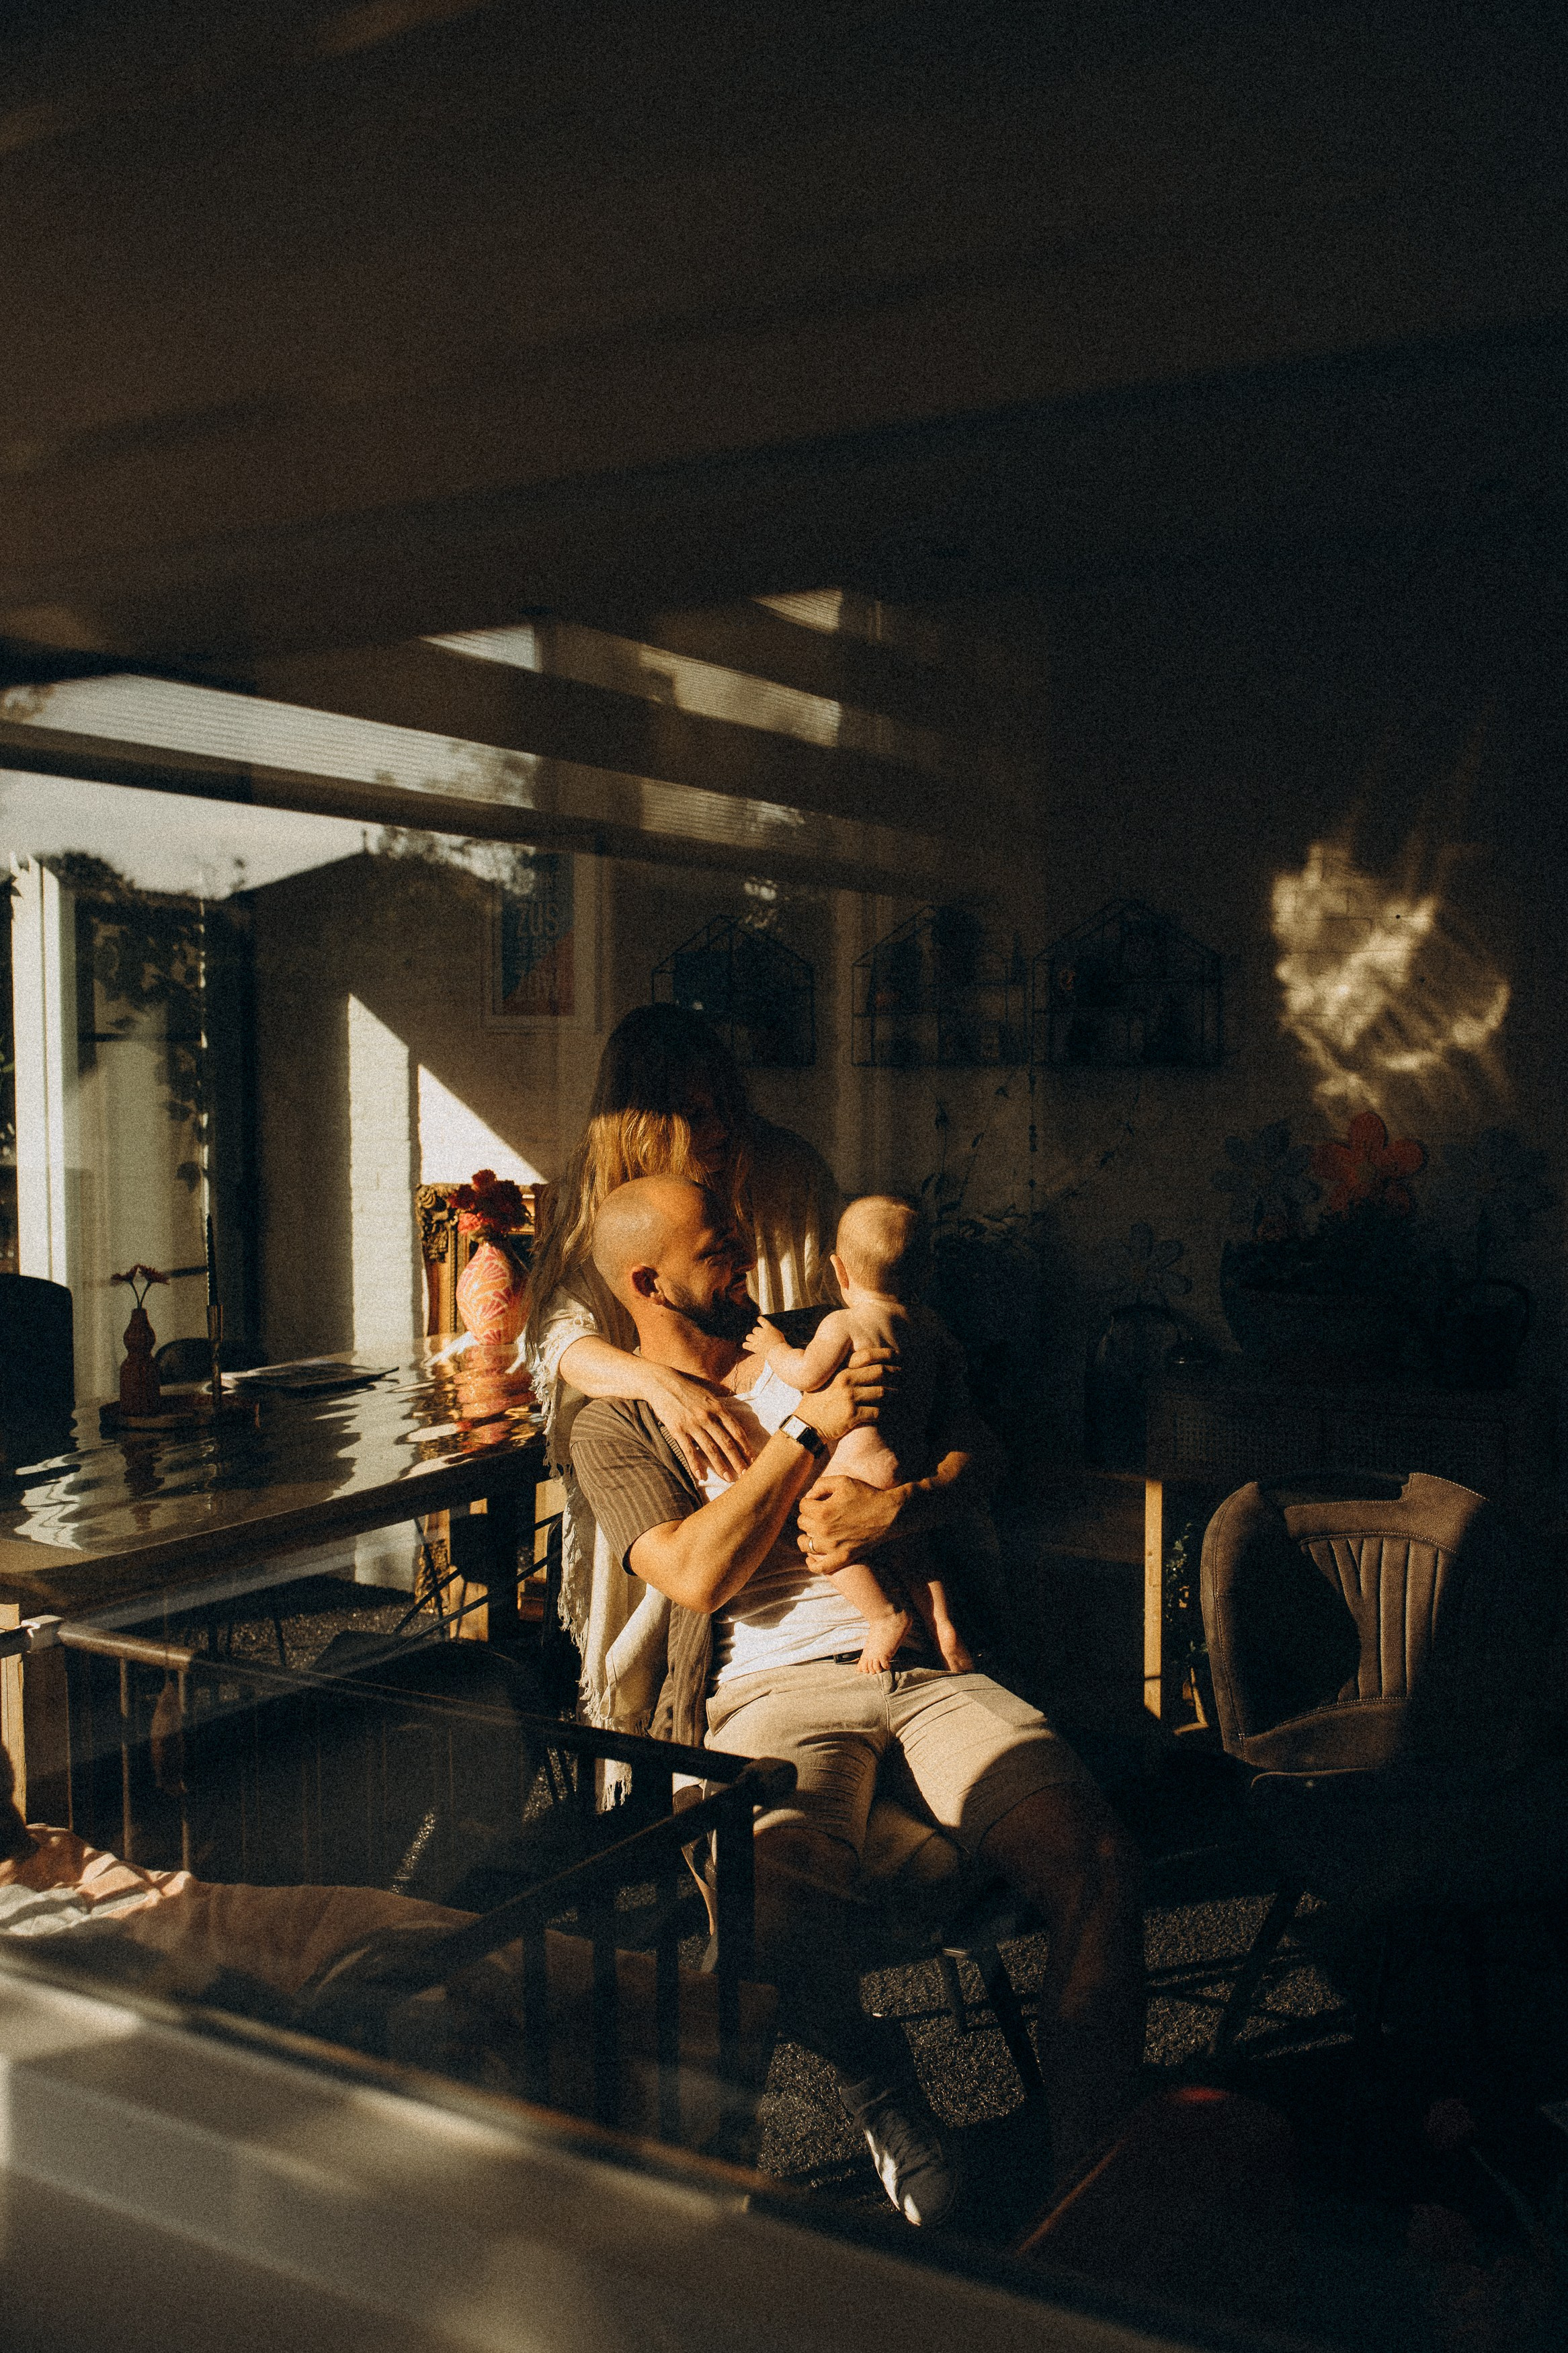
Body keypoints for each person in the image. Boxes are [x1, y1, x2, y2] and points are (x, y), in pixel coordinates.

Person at [570, 1176, 1146, 2227]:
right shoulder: (616, 1424)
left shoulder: (817, 1337)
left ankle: (1090, 2201)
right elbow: (694, 1575)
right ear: (649, 1281)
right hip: (767, 1690)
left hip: (925, 1669)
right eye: (719, 1250)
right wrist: (803, 1437)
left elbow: (984, 1448)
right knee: (776, 1907)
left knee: (1097, 1862)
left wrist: (903, 1505)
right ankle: (892, 2099)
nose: (746, 1258)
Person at [525, 1004, 838, 1738]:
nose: (721, 1131)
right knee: (680, 1616)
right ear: (642, 1124)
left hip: (796, 1424)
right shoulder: (594, 1195)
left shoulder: (784, 1171)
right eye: (696, 1116)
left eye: (725, 1106)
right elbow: (557, 1338)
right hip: (677, 1461)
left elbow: (840, 1306)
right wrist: (660, 1384)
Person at [745, 1193, 973, 1675]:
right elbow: (955, 1396)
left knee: (820, 1535)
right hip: (910, 1462)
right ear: (925, 1272)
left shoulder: (844, 1322)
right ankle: (944, 1625)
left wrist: (775, 1347)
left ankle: (883, 1616)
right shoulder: (933, 1328)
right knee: (913, 1549)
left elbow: (806, 1376)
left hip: (858, 1463)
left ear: (838, 1271)